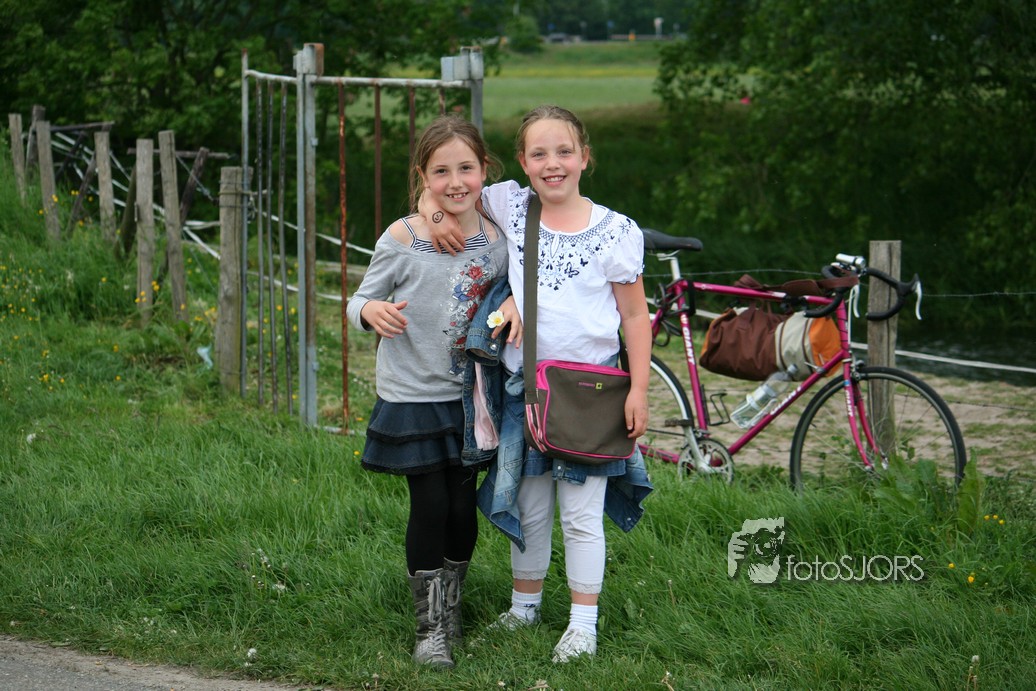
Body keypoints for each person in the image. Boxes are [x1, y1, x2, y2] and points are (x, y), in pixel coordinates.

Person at [423, 104, 653, 664]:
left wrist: (640, 390)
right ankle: (523, 607)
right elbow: (448, 188)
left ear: (585, 157)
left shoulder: (616, 231)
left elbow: (634, 316)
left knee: (580, 514)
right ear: (523, 162)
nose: (553, 164)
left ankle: (582, 624)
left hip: (588, 394)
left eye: (564, 152)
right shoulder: (511, 204)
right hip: (521, 389)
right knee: (528, 506)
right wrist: (433, 212)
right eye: (539, 154)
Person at [345, 114, 511, 669]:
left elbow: (519, 285)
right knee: (431, 503)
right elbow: (357, 299)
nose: (455, 181)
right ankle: (429, 629)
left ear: (484, 168)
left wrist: (515, 300)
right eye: (441, 172)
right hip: (413, 393)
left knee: (463, 508)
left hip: (470, 397)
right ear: (422, 175)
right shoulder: (402, 238)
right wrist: (370, 310)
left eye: (466, 168)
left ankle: (452, 610)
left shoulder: (499, 237)